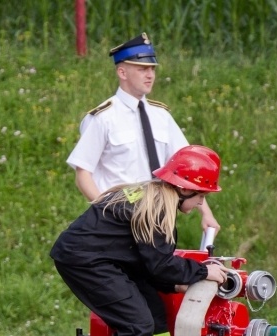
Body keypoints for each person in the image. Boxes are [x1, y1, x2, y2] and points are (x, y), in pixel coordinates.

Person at [50, 146, 229, 336]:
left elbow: (152, 267)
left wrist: (184, 278)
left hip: (109, 260)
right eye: (201, 196)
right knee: (136, 325)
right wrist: (203, 272)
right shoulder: (156, 210)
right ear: (184, 189)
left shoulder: (156, 198)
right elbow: (161, 265)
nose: (200, 204)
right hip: (85, 261)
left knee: (155, 318)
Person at [66, 32, 220, 233]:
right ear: (122, 72)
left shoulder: (161, 116)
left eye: (152, 69)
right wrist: (107, 214)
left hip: (157, 218)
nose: (150, 75)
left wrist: (206, 213)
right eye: (142, 69)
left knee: (160, 264)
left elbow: (187, 170)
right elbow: (83, 173)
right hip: (118, 217)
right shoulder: (104, 117)